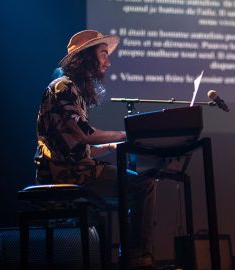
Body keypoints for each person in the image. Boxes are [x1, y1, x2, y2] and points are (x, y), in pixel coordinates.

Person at [34, 30, 157, 270]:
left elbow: (77, 145)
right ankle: (137, 258)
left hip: (76, 169)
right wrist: (125, 135)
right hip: (69, 174)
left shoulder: (73, 90)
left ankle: (129, 255)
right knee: (144, 185)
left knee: (133, 186)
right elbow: (85, 134)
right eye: (103, 54)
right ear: (85, 58)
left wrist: (111, 145)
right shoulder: (63, 87)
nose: (108, 62)